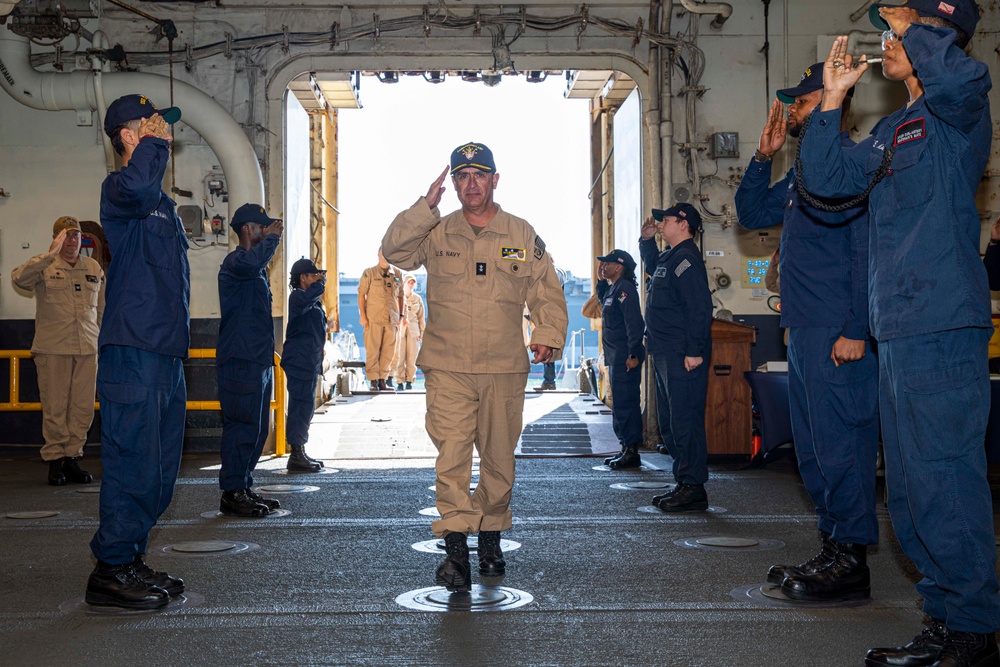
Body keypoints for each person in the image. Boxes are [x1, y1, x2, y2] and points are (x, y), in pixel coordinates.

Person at [801, 1, 1000, 664]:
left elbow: (958, 75)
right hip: (899, 333)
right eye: (890, 30)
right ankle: (945, 622)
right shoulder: (895, 128)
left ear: (938, 37)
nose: (887, 42)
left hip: (942, 326)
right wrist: (831, 104)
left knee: (945, 479)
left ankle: (973, 632)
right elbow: (827, 185)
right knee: (912, 491)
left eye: (899, 32)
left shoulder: (959, 107)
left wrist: (920, 26)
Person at [382, 141, 568, 592]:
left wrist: (547, 333)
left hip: (504, 365)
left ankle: (490, 535)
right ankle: (455, 551)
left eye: (479, 175)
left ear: (494, 181)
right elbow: (394, 251)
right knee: (451, 456)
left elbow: (545, 287)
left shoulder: (519, 234)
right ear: (455, 183)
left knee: (499, 458)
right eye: (462, 176)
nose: (470, 184)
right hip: (447, 364)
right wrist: (424, 208)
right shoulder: (436, 231)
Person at [734, 64, 879, 603]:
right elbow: (750, 213)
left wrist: (856, 328)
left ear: (829, 99)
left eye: (799, 102)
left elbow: (865, 251)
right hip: (805, 327)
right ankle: (833, 544)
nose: (791, 110)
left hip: (837, 330)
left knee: (843, 444)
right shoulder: (805, 174)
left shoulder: (854, 163)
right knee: (816, 448)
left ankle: (852, 562)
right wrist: (761, 157)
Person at [86, 94, 188, 610]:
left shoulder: (161, 205)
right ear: (127, 136)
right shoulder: (123, 189)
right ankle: (109, 571)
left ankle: (131, 557)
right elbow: (141, 181)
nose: (161, 131)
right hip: (133, 348)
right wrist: (154, 146)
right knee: (131, 461)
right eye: (148, 125)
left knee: (160, 465)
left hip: (164, 349)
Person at [12, 216, 105, 487]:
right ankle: (55, 460)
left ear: (81, 238)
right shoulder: (45, 265)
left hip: (87, 349)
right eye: (65, 236)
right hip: (53, 349)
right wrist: (47, 255)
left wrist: (99, 342)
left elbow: (101, 309)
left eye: (75, 235)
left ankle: (72, 458)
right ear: (57, 239)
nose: (72, 240)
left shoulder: (93, 267)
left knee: (82, 408)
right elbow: (19, 278)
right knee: (55, 406)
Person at [639, 203, 713, 512]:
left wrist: (694, 351)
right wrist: (646, 241)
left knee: (685, 420)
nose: (661, 224)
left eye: (665, 220)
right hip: (664, 351)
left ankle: (693, 487)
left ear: (683, 224)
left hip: (682, 354)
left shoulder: (687, 260)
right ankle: (684, 482)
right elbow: (654, 265)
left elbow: (699, 308)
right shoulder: (671, 257)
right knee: (671, 422)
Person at [216, 204, 284, 517]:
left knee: (255, 429)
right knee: (241, 426)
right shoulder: (237, 262)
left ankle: (242, 486)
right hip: (239, 359)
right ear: (247, 229)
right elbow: (255, 259)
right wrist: (271, 239)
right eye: (262, 226)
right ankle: (231, 491)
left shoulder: (254, 269)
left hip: (256, 360)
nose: (268, 230)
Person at [595, 250, 645, 470]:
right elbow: (604, 302)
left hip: (625, 356)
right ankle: (625, 447)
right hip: (616, 356)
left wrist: (633, 354)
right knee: (620, 404)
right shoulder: (614, 289)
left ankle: (632, 451)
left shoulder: (624, 289)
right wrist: (600, 282)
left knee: (627, 403)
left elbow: (634, 323)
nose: (604, 265)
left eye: (607, 263)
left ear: (619, 267)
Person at [280, 258, 328, 473]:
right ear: (303, 278)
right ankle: (296, 454)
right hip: (300, 361)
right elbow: (309, 298)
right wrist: (320, 284)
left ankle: (300, 450)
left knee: (306, 408)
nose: (317, 278)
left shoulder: (311, 300)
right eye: (313, 275)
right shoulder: (298, 297)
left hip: (308, 361)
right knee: (300, 407)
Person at [359, 249, 403, 392]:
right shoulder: (369, 273)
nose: (386, 256)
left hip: (392, 319)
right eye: (383, 253)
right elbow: (361, 295)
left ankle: (383, 380)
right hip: (374, 318)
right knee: (373, 349)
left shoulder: (397, 274)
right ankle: (373, 381)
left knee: (388, 351)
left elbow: (401, 295)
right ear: (378, 255)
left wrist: (401, 316)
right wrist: (363, 316)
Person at [394, 273, 425, 391]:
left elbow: (421, 317)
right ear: (404, 284)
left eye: (413, 283)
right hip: (400, 329)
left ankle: (409, 381)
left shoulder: (417, 299)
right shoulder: (398, 297)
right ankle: (399, 381)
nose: (411, 285)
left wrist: (422, 333)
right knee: (400, 357)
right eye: (409, 282)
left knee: (412, 358)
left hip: (413, 329)